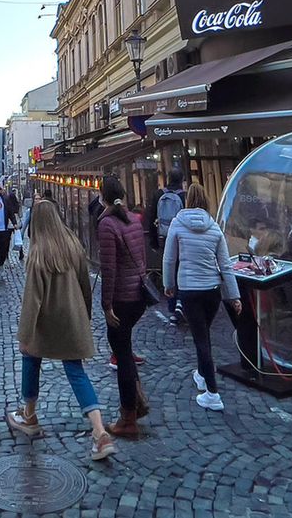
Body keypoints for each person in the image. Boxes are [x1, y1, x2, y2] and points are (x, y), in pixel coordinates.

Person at [5, 200, 116, 461]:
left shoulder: (38, 253)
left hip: (46, 322)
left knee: (30, 358)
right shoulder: (73, 246)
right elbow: (85, 286)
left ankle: (29, 414)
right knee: (76, 372)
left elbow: (32, 299)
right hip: (72, 319)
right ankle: (99, 432)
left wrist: (25, 336)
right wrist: (84, 318)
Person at [163, 183, 242, 411]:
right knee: (203, 334)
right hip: (212, 291)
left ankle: (212, 393)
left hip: (189, 289)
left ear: (187, 201)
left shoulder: (178, 224)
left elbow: (169, 259)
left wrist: (169, 285)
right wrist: (234, 295)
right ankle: (201, 374)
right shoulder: (214, 227)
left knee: (201, 340)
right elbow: (225, 265)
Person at [96, 176, 151, 438]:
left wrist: (106, 305)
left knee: (123, 355)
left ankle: (128, 417)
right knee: (125, 351)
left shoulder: (108, 224)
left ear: (102, 196)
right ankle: (136, 404)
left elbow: (109, 269)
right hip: (138, 296)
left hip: (122, 299)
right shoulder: (133, 221)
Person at [155, 170, 188, 324]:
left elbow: (151, 216)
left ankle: (172, 304)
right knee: (181, 270)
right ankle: (181, 304)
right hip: (183, 240)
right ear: (181, 179)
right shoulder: (184, 196)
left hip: (165, 238)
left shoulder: (159, 194)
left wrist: (154, 242)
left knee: (169, 268)